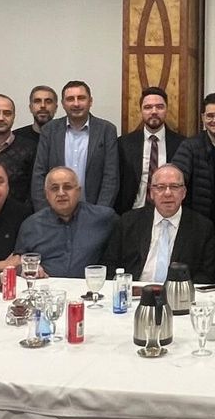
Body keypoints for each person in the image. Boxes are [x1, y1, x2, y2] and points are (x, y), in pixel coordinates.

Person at [103, 165, 215, 284]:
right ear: (152, 193)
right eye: (160, 187)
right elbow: (110, 264)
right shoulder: (128, 222)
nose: (167, 193)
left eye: (174, 187)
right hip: (134, 290)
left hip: (179, 292)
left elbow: (206, 275)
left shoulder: (202, 228)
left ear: (184, 193)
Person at [31, 80, 118, 211]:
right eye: (70, 99)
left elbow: (111, 177)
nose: (76, 104)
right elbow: (39, 174)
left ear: (90, 101)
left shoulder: (106, 130)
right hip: (54, 211)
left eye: (81, 98)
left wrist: (100, 213)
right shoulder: (49, 130)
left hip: (94, 210)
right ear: (63, 104)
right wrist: (45, 212)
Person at [15, 167, 116, 278]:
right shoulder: (31, 225)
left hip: (91, 286)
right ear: (46, 194)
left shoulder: (103, 218)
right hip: (46, 286)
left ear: (78, 191)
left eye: (67, 187)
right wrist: (26, 269)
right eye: (54, 188)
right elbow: (17, 263)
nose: (61, 193)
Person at [170, 92, 215, 234]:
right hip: (201, 230)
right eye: (210, 116)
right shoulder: (189, 147)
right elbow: (175, 180)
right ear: (203, 118)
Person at [117, 86, 185, 215]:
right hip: (133, 213)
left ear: (166, 109)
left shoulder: (182, 144)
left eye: (159, 107)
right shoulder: (123, 144)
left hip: (169, 214)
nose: (154, 111)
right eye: (148, 107)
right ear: (141, 111)